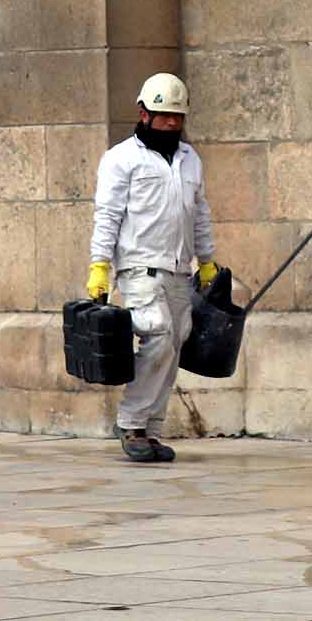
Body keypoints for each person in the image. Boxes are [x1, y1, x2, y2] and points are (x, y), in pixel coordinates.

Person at [86, 73, 219, 463]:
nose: (172, 124)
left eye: (178, 117)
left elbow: (200, 214)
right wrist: (99, 266)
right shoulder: (120, 159)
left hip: (179, 268)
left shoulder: (190, 159)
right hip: (139, 266)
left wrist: (207, 260)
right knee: (158, 333)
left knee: (176, 338)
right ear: (144, 114)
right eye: (164, 117)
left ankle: (152, 430)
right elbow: (107, 215)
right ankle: (131, 423)